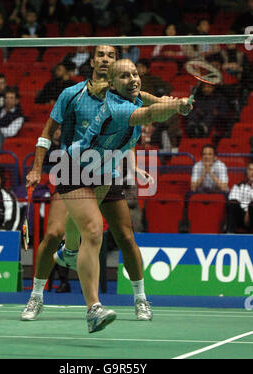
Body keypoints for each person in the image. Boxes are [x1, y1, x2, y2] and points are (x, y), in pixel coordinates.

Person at [21, 52, 192, 332]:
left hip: (105, 171)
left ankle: (74, 255)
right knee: (89, 230)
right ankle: (86, 306)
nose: (132, 78)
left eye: (134, 73)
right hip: (75, 168)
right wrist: (173, 107)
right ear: (106, 75)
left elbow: (146, 102)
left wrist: (177, 104)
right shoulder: (94, 100)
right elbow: (148, 113)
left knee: (112, 233)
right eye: (124, 75)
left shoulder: (129, 95)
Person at [225, 162, 253, 233]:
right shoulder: (238, 186)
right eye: (250, 170)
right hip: (241, 215)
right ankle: (230, 233)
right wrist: (246, 212)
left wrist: (249, 211)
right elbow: (233, 200)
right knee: (232, 204)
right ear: (247, 171)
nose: (252, 172)